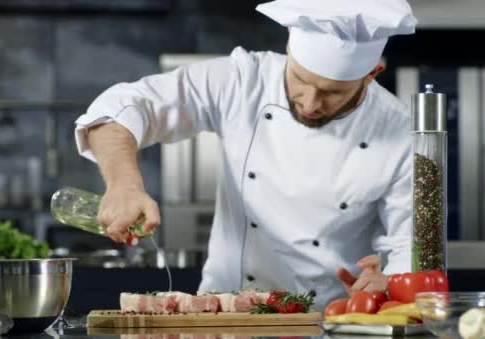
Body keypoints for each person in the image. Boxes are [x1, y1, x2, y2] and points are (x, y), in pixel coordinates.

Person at [73, 0, 418, 309]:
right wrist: (123, 184)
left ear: (373, 74)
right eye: (300, 78)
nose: (311, 103)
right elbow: (123, 108)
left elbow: (410, 248)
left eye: (333, 92)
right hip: (223, 317)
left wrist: (389, 284)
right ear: (287, 44)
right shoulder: (243, 80)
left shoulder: (402, 131)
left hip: (329, 324)